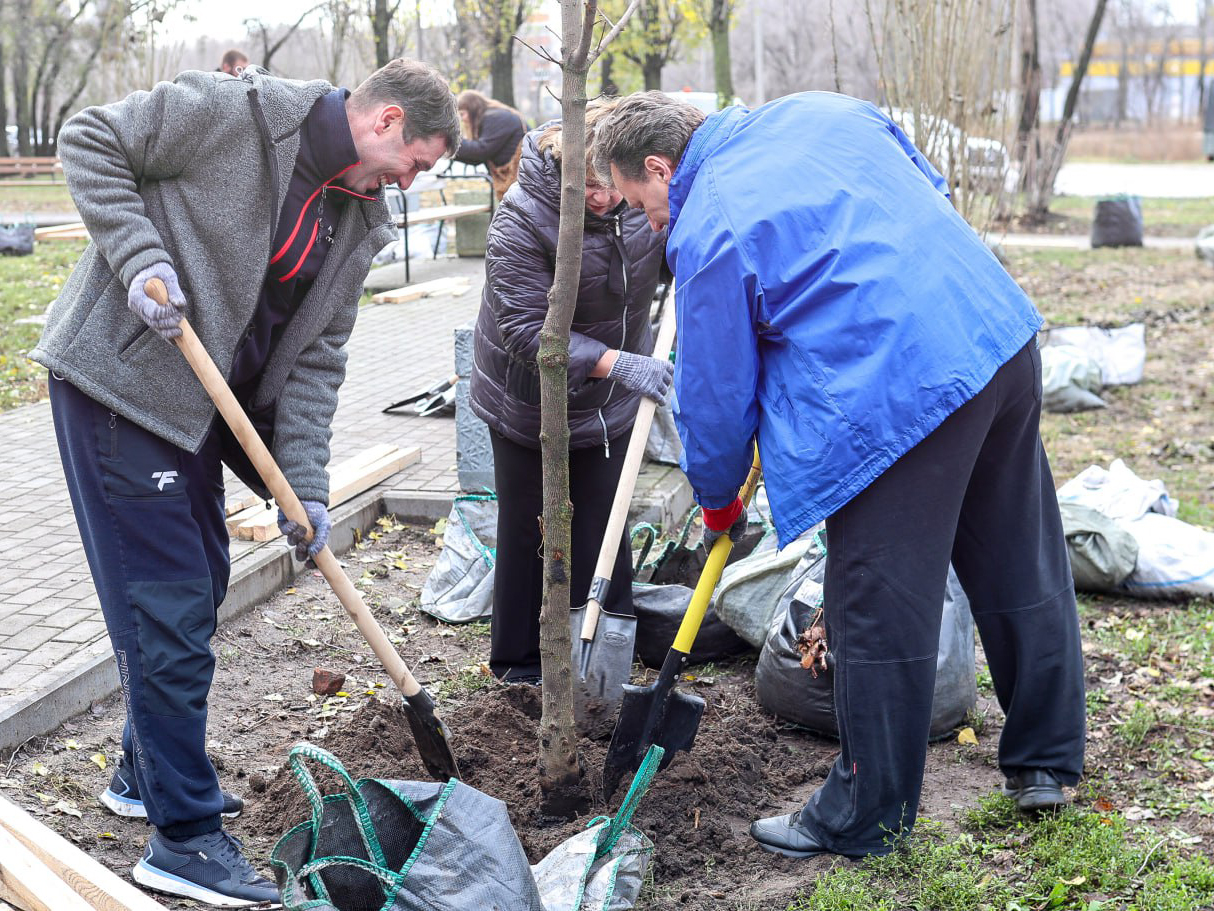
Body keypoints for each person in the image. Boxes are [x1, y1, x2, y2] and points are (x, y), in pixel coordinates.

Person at [592, 91, 1085, 858]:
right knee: (1018, 558)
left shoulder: (708, 221)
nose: (647, 221)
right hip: (990, 336)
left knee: (879, 605)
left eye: (639, 202)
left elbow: (716, 394)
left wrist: (718, 499)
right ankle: (1046, 762)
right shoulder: (826, 110)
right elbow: (929, 194)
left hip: (896, 395)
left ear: (659, 166)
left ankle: (865, 813)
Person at [31, 59, 459, 906]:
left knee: (205, 581)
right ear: (386, 122)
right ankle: (182, 838)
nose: (416, 182)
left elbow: (314, 365)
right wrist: (142, 257)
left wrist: (305, 485)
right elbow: (89, 140)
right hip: (128, 383)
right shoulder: (239, 114)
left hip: (211, 409)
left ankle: (138, 772)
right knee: (168, 605)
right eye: (419, 161)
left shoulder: (359, 216)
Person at [469, 101, 670, 684]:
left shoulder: (631, 199)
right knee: (531, 528)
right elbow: (527, 332)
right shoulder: (522, 219)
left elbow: (664, 254)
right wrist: (617, 363)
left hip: (611, 399)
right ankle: (519, 669)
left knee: (606, 526)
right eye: (586, 188)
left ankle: (606, 666)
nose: (603, 199)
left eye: (609, 184)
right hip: (529, 402)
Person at [453, 89, 527, 200]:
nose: (462, 119)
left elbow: (482, 150)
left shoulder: (495, 117)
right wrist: (448, 151)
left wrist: (450, 142)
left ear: (472, 109)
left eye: (462, 114)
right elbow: (477, 158)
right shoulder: (492, 117)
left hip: (520, 176)